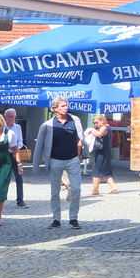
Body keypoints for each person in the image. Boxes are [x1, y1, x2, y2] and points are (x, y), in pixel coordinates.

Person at [32, 96, 84, 230]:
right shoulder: (47, 125)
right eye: (62, 106)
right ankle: (56, 219)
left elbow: (80, 137)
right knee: (55, 192)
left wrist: (79, 154)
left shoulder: (74, 120)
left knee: (76, 189)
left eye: (66, 105)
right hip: (55, 160)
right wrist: (36, 165)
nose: (66, 108)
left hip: (72, 159)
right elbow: (39, 145)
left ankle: (73, 218)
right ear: (55, 109)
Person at [86, 114, 118, 195]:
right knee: (104, 170)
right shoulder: (107, 127)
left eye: (97, 122)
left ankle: (95, 189)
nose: (96, 124)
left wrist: (90, 131)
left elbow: (99, 134)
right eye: (94, 123)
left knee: (96, 169)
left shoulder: (104, 127)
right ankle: (112, 186)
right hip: (104, 151)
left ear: (102, 120)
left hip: (103, 151)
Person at [4, 108, 28, 207]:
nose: (12, 118)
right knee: (4, 177)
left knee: (19, 177)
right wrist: (9, 147)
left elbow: (20, 140)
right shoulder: (2, 127)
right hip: (5, 154)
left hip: (15, 154)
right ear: (5, 117)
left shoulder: (17, 127)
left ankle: (20, 199)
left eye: (13, 116)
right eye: (10, 116)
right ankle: (1, 198)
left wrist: (18, 146)